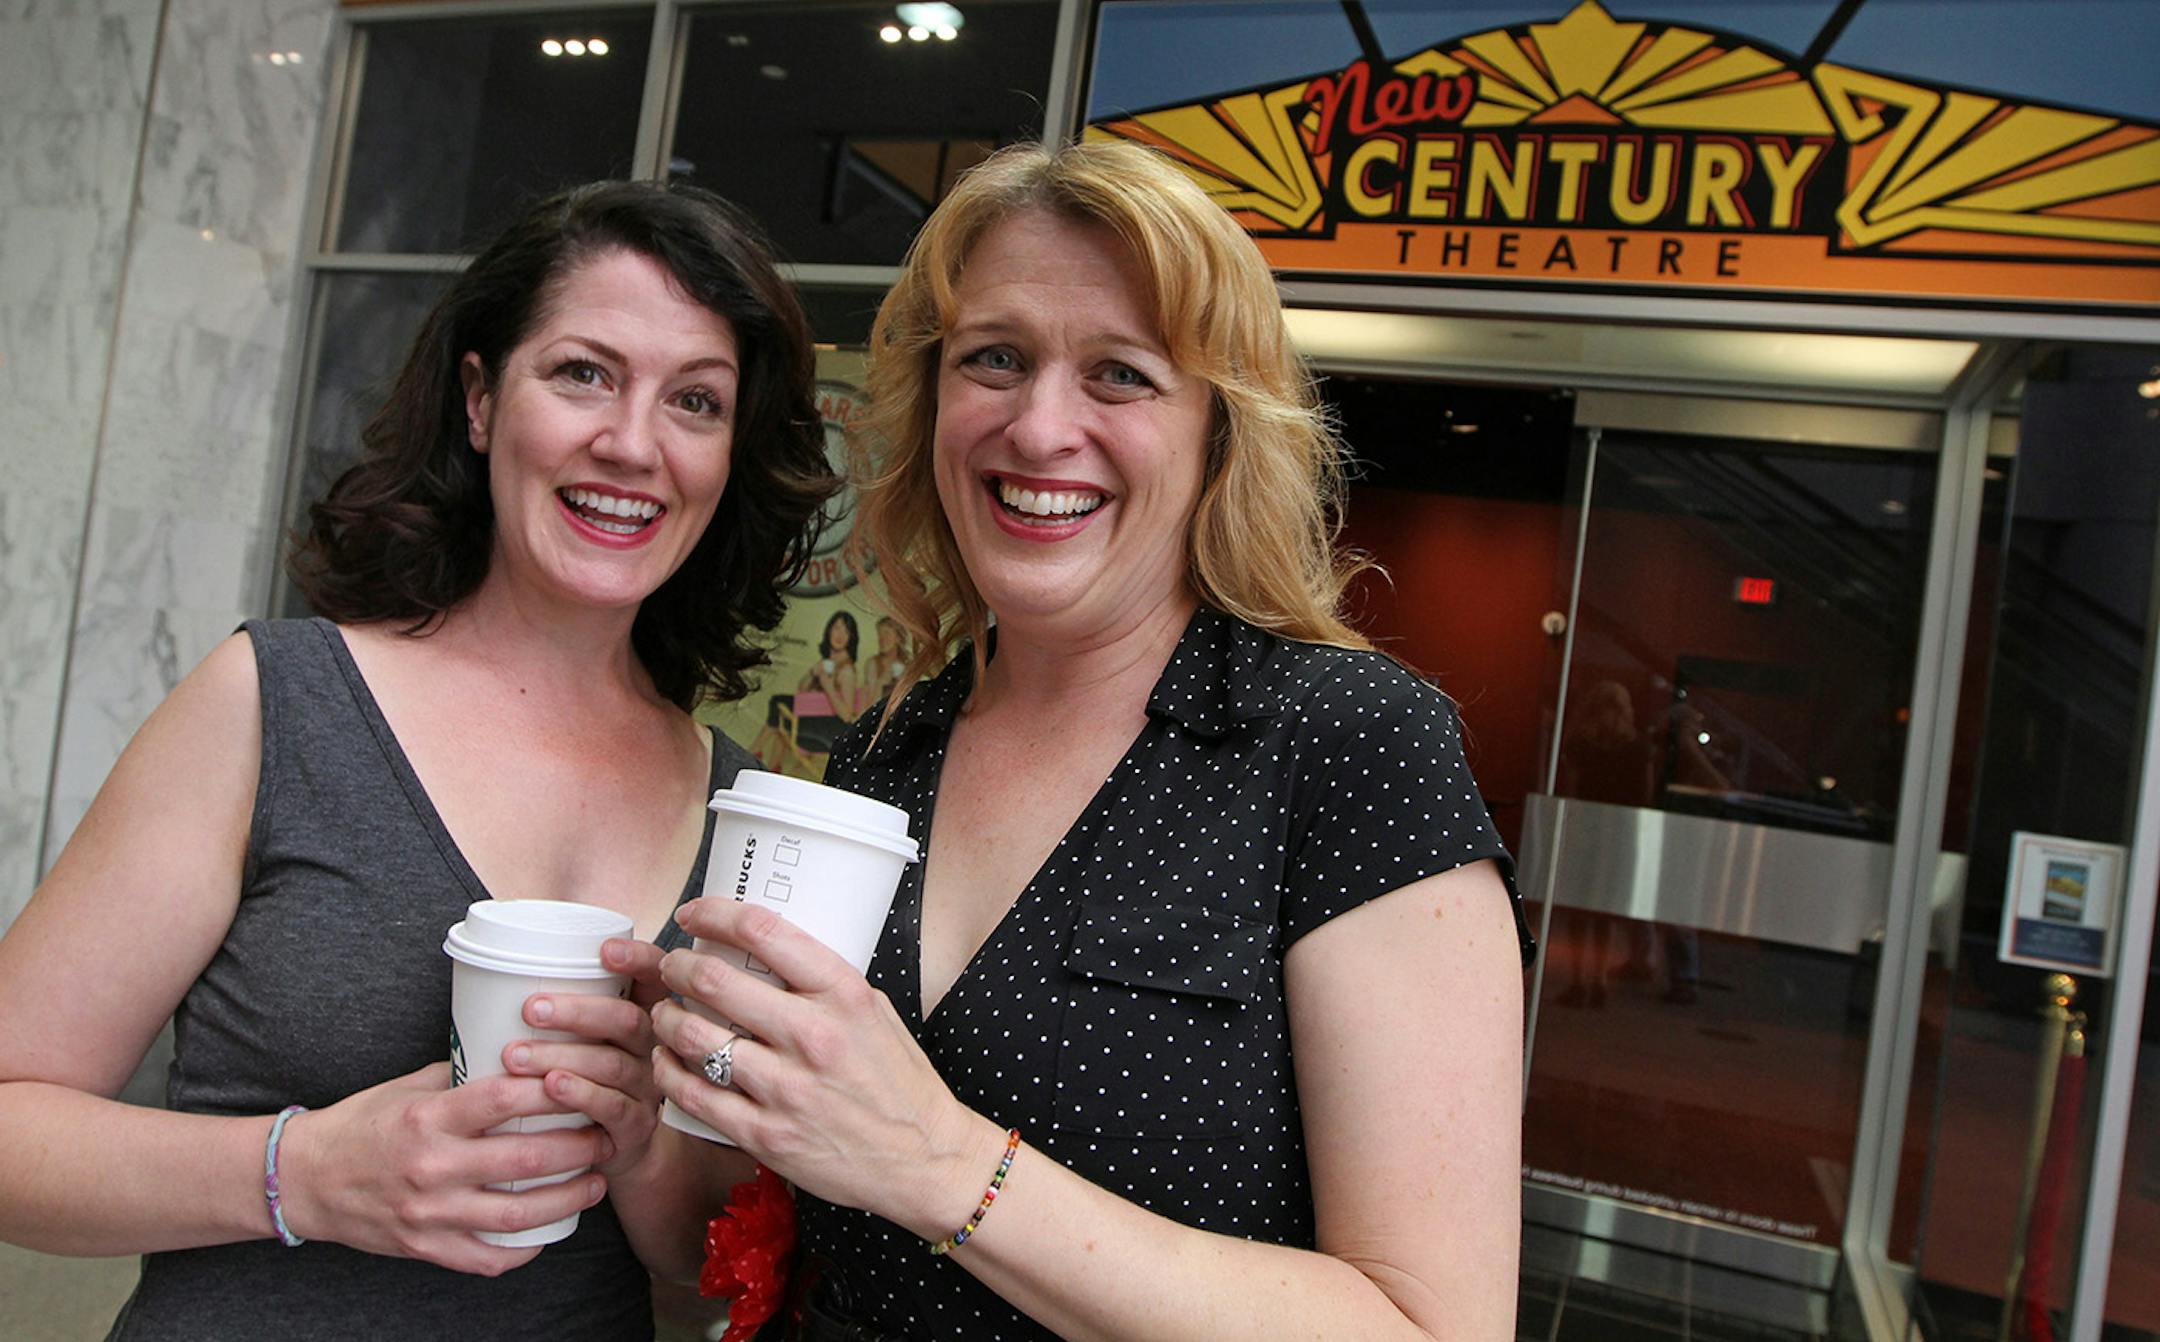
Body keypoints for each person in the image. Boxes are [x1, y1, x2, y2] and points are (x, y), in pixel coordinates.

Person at [649, 141, 1535, 1340]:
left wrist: (941, 1162)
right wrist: (643, 1115)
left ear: (1219, 434)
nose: (1039, 425)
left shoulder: (1344, 747)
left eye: (1120, 374)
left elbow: (1433, 1326)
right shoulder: (887, 753)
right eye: (995, 360)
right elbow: (789, 1208)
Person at [0, 180, 834, 1337]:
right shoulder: (278, 703)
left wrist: (641, 1131)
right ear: (482, 400)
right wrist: (305, 1173)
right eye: (583, 373)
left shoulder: (738, 813)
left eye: (694, 401)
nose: (632, 443)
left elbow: (704, 1267)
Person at [798, 610, 866, 724]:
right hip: (816, 715)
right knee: (779, 705)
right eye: (837, 628)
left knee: (781, 715)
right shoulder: (828, 661)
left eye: (846, 631)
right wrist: (813, 672)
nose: (840, 635)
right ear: (829, 630)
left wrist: (829, 687)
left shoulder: (847, 670)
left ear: (851, 637)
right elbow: (802, 688)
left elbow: (847, 716)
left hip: (831, 726)